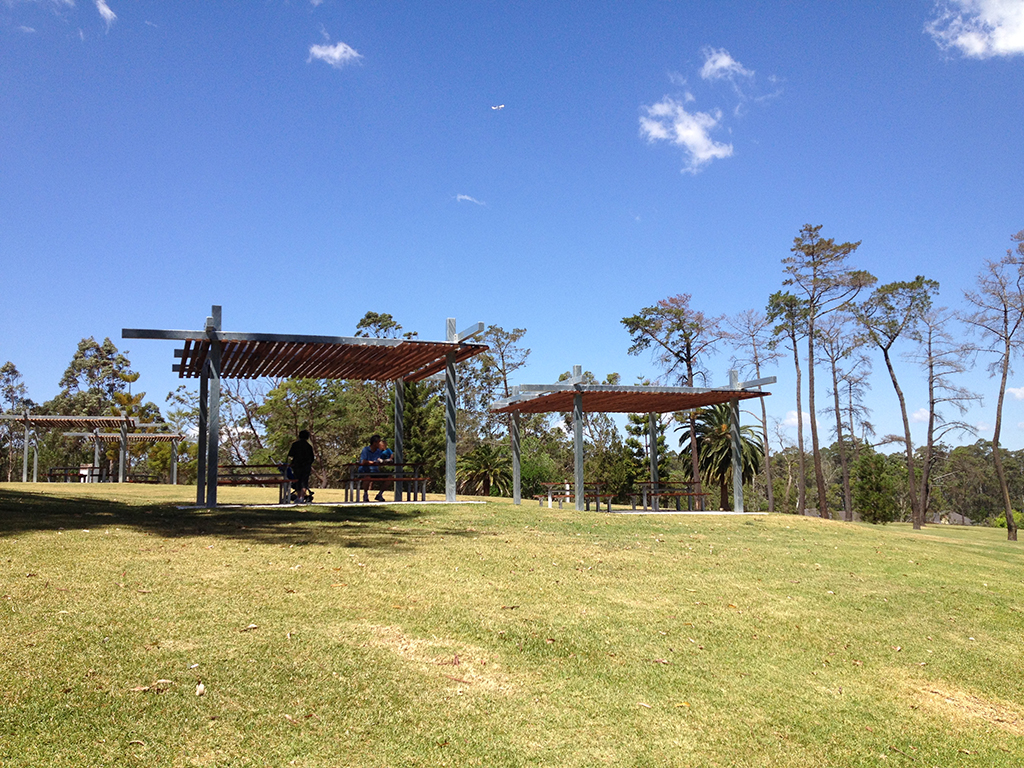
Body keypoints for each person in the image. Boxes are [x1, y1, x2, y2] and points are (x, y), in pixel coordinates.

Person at [358, 434, 392, 502]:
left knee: (390, 477)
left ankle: (379, 495)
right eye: (379, 442)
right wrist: (373, 462)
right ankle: (365, 495)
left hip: (375, 471)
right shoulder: (366, 449)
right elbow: (364, 461)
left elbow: (382, 459)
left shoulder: (379, 451)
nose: (380, 444)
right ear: (374, 443)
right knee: (367, 477)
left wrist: (386, 461)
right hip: (364, 471)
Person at [286, 429, 315, 503]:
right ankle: (302, 497)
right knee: (304, 482)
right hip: (306, 466)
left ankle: (299, 497)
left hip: (297, 466)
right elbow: (312, 458)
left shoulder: (295, 444)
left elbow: (290, 455)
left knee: (297, 481)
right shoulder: (309, 446)